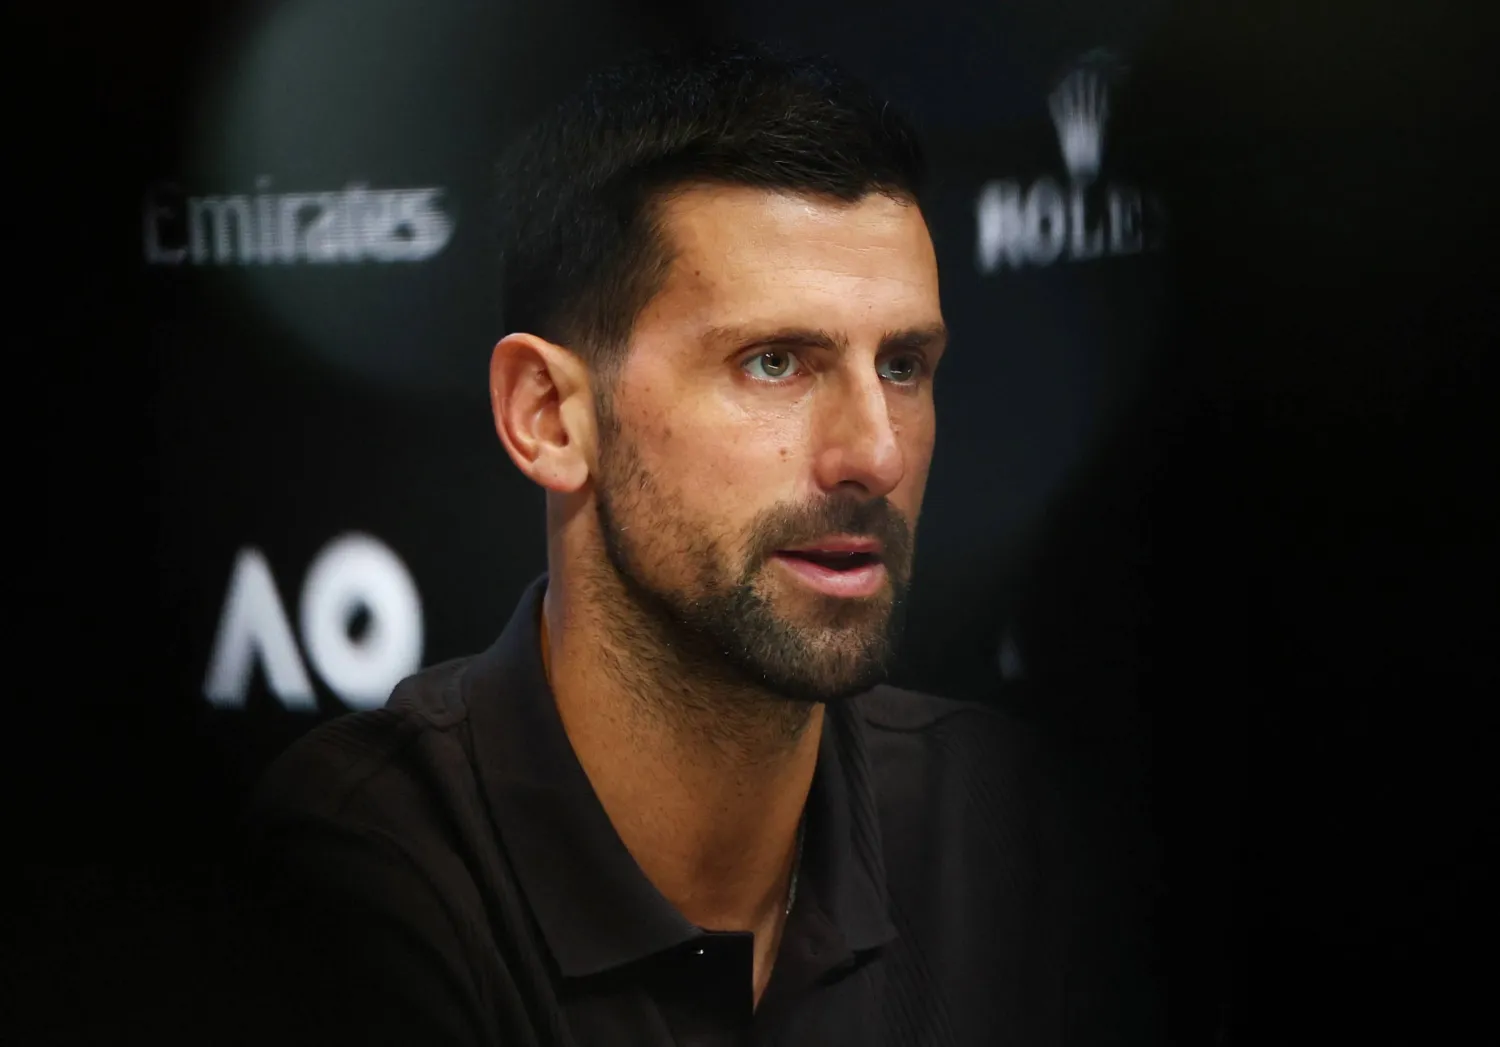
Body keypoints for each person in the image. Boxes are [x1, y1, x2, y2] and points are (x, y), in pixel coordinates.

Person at [233, 42, 1122, 1047]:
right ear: (549, 418)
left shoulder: (1004, 827)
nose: (874, 452)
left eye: (906, 364)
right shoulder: (372, 861)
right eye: (775, 362)